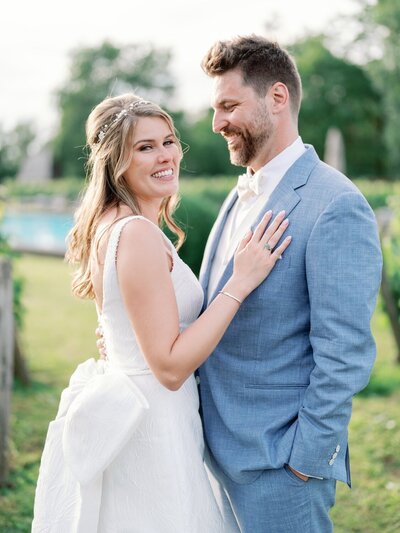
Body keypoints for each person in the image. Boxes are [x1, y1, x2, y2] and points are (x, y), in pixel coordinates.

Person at [31, 93, 291, 532]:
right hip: (152, 425)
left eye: (168, 142)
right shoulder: (135, 234)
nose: (165, 156)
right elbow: (168, 367)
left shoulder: (117, 224)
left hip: (148, 408)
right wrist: (239, 283)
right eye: (145, 147)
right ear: (116, 162)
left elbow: (130, 329)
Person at [197, 35, 383, 533]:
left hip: (279, 470)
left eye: (229, 106)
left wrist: (304, 460)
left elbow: (344, 352)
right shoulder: (239, 195)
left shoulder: (335, 204)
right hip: (215, 456)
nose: (217, 124)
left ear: (277, 98)